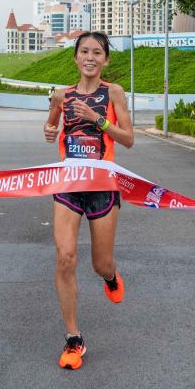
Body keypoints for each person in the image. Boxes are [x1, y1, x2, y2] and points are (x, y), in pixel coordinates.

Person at [42, 31, 134, 370]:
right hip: (68, 184)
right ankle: (73, 338)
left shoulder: (114, 93)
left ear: (106, 59)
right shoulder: (60, 95)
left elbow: (128, 139)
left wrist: (98, 119)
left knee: (100, 264)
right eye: (84, 51)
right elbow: (51, 128)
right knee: (65, 256)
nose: (90, 57)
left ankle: (111, 277)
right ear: (76, 57)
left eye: (97, 52)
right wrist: (50, 131)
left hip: (102, 186)